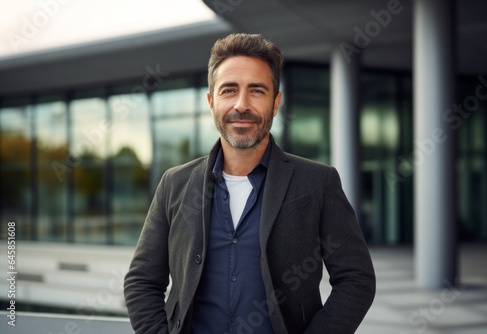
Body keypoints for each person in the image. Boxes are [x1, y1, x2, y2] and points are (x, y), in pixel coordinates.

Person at [124, 33, 375, 334]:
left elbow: (356, 279)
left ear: (276, 102)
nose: (241, 105)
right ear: (211, 101)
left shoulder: (318, 182)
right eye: (229, 90)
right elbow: (141, 282)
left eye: (256, 91)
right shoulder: (174, 184)